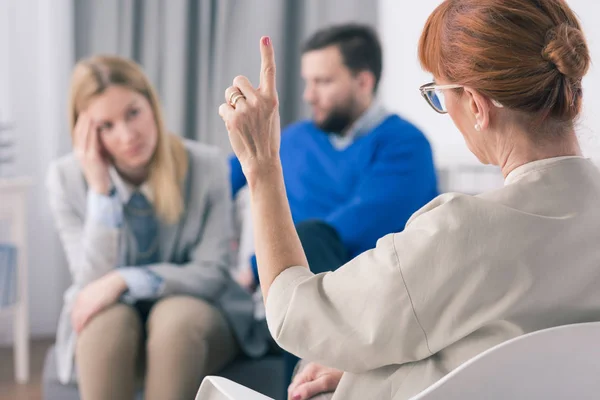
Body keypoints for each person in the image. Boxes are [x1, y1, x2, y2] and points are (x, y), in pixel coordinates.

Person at [218, 0, 600, 398]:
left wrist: (261, 167)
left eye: (438, 93)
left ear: (475, 104)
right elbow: (501, 342)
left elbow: (296, 314)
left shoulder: (461, 231)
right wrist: (362, 371)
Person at [47, 55, 266, 400]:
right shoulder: (66, 179)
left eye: (133, 112)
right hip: (117, 316)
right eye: (106, 125)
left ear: (152, 103)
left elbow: (211, 273)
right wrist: (101, 193)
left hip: (197, 311)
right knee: (104, 325)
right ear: (85, 132)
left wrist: (127, 279)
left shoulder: (206, 165)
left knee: (175, 320)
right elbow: (91, 284)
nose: (128, 135)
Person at [231, 24, 438, 292]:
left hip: (358, 292)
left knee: (312, 236)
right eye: (308, 82)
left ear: (363, 82)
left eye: (323, 82)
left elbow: (350, 228)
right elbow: (224, 175)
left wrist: (257, 266)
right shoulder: (294, 137)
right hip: (282, 291)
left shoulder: (406, 145)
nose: (309, 95)